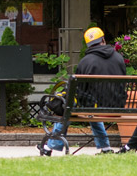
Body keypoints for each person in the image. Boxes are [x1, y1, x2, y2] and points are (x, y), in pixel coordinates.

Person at [40, 26, 124, 155]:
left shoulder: (85, 61)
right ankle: (105, 147)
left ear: (88, 45)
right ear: (103, 39)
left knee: (68, 105)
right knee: (90, 107)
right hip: (118, 107)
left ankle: (50, 147)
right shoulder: (118, 58)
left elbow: (79, 89)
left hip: (94, 107)